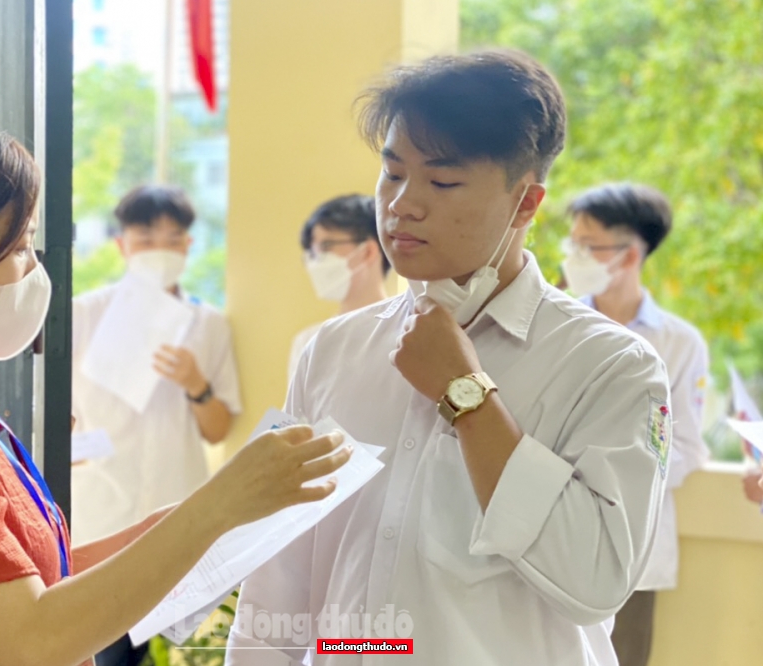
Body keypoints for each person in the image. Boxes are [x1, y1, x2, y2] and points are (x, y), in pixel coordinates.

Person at [0, 107, 352, 666]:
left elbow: (32, 578)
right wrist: (214, 509)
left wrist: (201, 521)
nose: (34, 272)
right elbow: (33, 640)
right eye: (19, 248)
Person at [227, 49, 670, 666]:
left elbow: (596, 580)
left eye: (443, 182)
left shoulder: (610, 364)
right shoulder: (331, 350)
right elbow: (278, 576)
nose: (402, 204)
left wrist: (466, 393)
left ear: (526, 203)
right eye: (392, 173)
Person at [71, 184, 242, 665]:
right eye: (146, 239)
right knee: (102, 652)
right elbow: (52, 413)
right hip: (100, 519)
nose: (159, 251)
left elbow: (217, 430)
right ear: (121, 244)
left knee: (180, 654)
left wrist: (196, 384)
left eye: (172, 240)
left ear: (188, 246)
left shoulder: (208, 324)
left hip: (177, 518)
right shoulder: (83, 314)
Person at [561, 182, 710, 666]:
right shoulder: (557, 326)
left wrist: (609, 472)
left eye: (589, 246)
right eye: (573, 243)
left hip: (633, 551)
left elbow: (685, 447)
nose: (574, 256)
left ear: (629, 255)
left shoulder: (679, 343)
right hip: (554, 531)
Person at [289, 194, 390, 381]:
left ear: (368, 251)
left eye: (326, 246)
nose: (316, 261)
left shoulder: (406, 334)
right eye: (312, 252)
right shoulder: (309, 341)